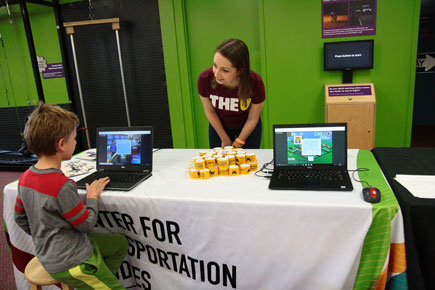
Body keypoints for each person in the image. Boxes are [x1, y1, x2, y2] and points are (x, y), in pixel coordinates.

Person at [14, 103, 128, 289]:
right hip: (71, 260)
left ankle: (96, 283)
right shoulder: (62, 185)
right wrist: (92, 197)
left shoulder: (25, 177)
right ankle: (95, 280)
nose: (76, 142)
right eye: (74, 138)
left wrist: (47, 236)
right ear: (61, 144)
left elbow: (19, 218)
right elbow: (86, 224)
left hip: (49, 251)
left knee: (118, 243)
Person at [198, 38, 266, 149]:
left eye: (225, 70)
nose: (217, 74)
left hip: (247, 127)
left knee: (247, 163)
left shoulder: (255, 82)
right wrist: (224, 139)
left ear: (240, 70)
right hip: (219, 126)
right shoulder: (204, 79)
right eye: (215, 66)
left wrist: (239, 142)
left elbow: (253, 118)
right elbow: (210, 112)